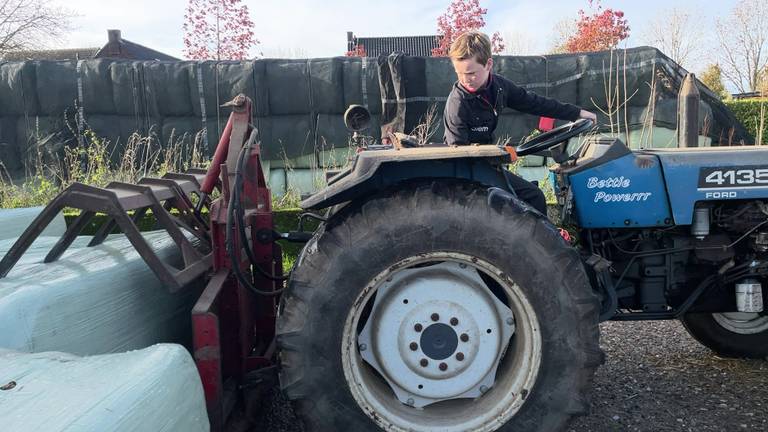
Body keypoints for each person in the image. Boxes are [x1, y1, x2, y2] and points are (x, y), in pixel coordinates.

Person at [443, 30, 597, 215]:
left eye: (471, 73)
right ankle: (540, 244)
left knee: (531, 197)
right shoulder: (458, 104)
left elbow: (535, 103)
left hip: (487, 164)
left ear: (488, 64)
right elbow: (458, 155)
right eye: (460, 73)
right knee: (533, 197)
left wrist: (577, 113)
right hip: (470, 172)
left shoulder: (499, 87)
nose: (465, 79)